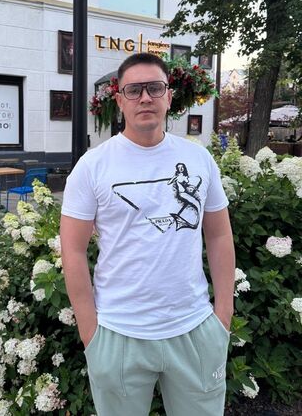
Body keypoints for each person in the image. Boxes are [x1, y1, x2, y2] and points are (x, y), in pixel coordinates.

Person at [60, 52, 235, 416]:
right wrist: (91, 334)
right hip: (118, 333)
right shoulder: (92, 167)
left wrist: (223, 316)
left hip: (195, 329)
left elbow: (219, 235)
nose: (145, 97)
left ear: (168, 96)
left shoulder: (200, 159)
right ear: (119, 98)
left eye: (154, 88)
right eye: (134, 89)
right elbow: (72, 250)